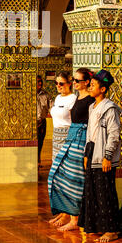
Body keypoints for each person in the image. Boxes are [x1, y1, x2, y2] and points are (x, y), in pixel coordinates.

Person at [48, 68, 95, 230]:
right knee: (59, 175)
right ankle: (65, 212)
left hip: (78, 139)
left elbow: (92, 124)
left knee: (73, 180)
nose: (74, 83)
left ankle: (74, 218)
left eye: (76, 81)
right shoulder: (78, 98)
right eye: (73, 80)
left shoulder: (88, 99)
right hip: (69, 138)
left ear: (86, 82)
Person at [78, 70, 121, 243]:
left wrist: (107, 156)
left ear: (103, 89)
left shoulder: (110, 109)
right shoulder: (92, 107)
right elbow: (91, 133)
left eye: (93, 85)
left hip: (103, 156)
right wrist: (86, 154)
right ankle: (97, 226)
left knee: (105, 194)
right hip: (92, 154)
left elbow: (114, 134)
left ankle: (111, 230)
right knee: (93, 193)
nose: (90, 86)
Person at [48, 71, 77, 227]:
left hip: (67, 138)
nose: (58, 86)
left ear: (69, 84)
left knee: (68, 177)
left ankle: (72, 215)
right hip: (56, 138)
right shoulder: (58, 98)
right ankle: (63, 213)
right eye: (56, 83)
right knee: (58, 177)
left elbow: (75, 121)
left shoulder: (73, 99)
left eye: (61, 83)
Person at [36, 75, 51, 168]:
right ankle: (35, 160)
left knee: (40, 142)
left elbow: (50, 106)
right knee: (34, 143)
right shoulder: (28, 93)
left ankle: (38, 160)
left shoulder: (45, 94)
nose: (40, 83)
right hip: (32, 123)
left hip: (42, 121)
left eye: (40, 81)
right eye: (38, 81)